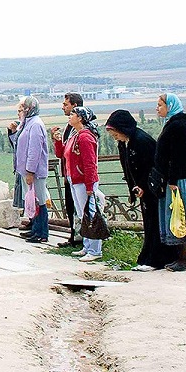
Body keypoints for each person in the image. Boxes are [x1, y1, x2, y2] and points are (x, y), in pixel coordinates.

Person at [105, 109, 168, 270]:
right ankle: (147, 258)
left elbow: (151, 167)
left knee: (155, 223)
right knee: (149, 223)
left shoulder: (141, 140)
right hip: (141, 189)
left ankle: (156, 260)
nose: (115, 137)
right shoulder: (125, 142)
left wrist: (143, 186)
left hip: (153, 189)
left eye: (115, 133)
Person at [153, 93, 186, 271]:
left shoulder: (178, 127)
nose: (157, 108)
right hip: (175, 178)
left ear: (170, 106)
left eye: (160, 105)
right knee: (176, 215)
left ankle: (185, 259)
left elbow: (178, 156)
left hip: (179, 180)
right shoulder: (173, 124)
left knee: (180, 216)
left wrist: (173, 179)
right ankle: (180, 257)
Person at [63, 106, 105, 261]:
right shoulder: (76, 135)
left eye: (73, 114)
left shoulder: (85, 137)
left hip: (83, 180)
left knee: (90, 214)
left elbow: (90, 163)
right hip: (74, 179)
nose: (70, 116)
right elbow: (64, 154)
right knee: (82, 214)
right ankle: (87, 246)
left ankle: (95, 250)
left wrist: (89, 185)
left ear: (80, 118)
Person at [50, 94, 84, 250]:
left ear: (75, 106)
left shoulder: (82, 129)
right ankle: (74, 236)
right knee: (71, 206)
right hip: (69, 173)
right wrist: (57, 141)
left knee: (79, 207)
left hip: (77, 175)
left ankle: (81, 238)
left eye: (66, 104)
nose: (63, 107)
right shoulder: (69, 127)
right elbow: (62, 153)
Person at [14, 97, 50, 243]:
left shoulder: (35, 125)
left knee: (40, 201)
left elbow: (34, 151)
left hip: (35, 172)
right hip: (28, 170)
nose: (20, 112)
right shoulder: (27, 123)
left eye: (22, 108)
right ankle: (35, 229)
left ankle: (42, 232)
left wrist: (30, 171)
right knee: (33, 200)